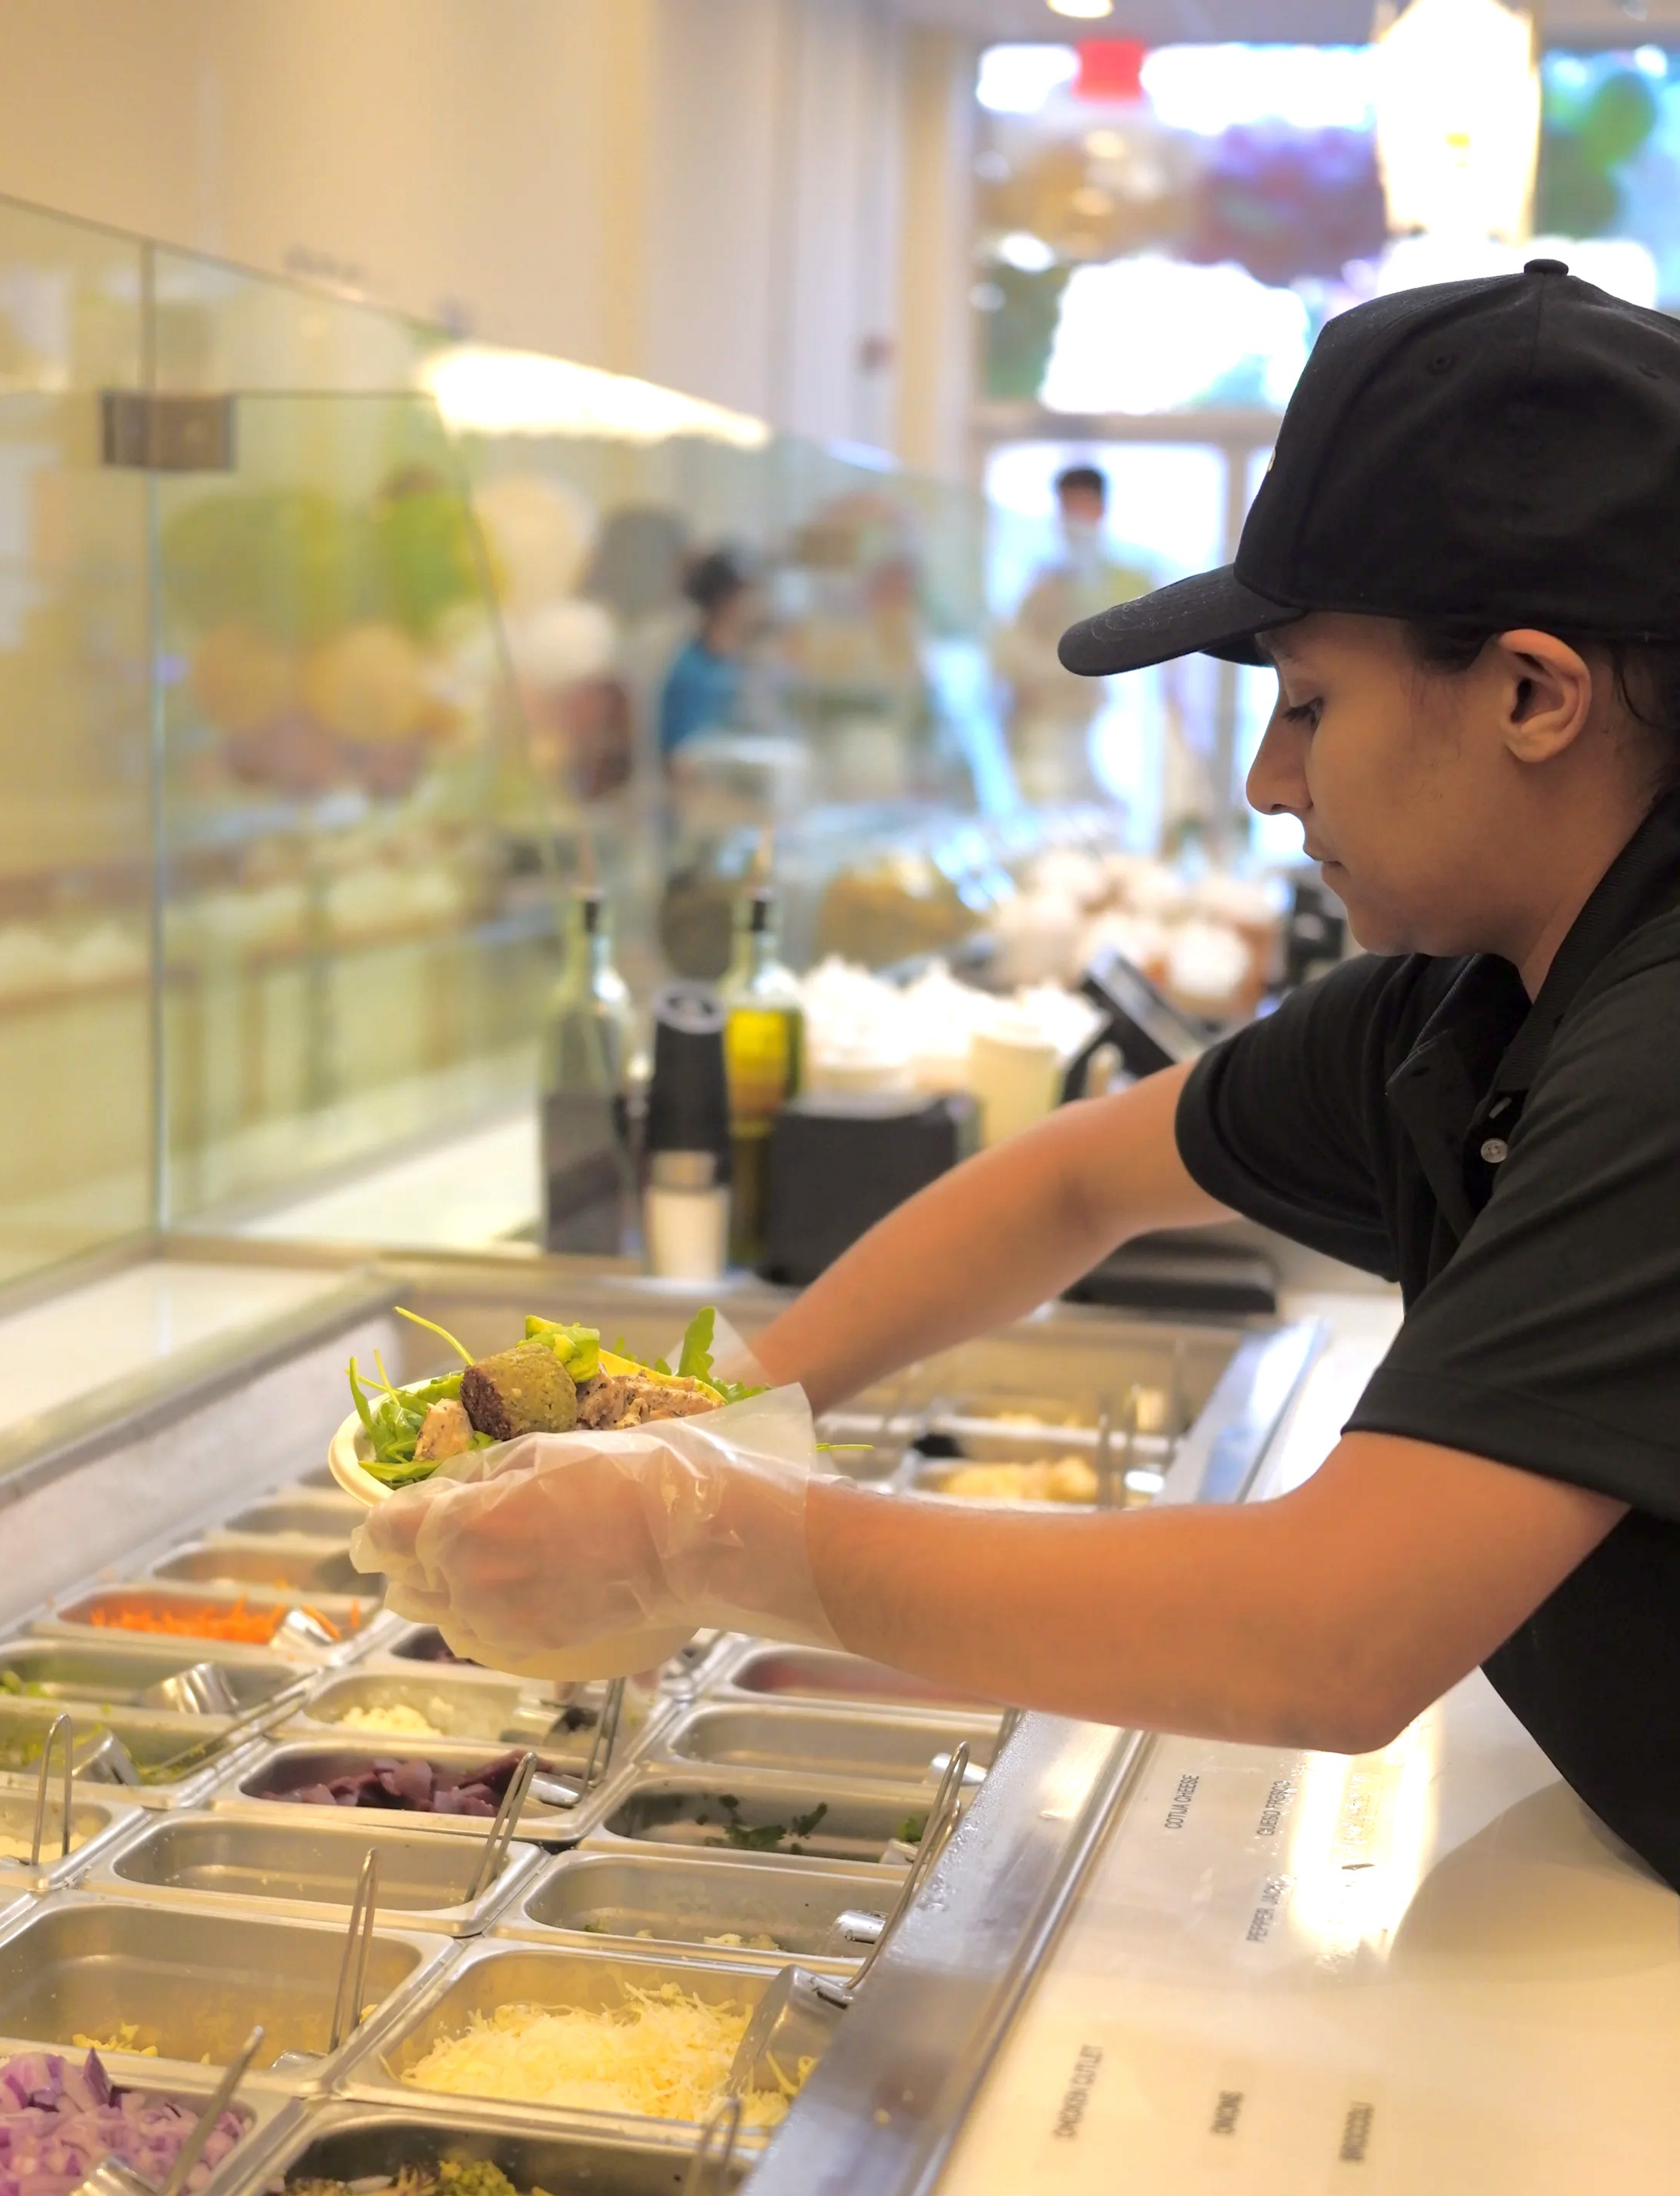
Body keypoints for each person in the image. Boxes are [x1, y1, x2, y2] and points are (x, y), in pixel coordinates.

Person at [353, 263, 1680, 1883]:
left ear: (1534, 694)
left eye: (1311, 704)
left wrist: (707, 1539)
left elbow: (1327, 1640)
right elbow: (1073, 1176)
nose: (1270, 781)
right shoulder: (1469, 995)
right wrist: (715, 1427)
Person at [992, 464, 1151, 805]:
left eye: (1082, 508)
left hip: (1108, 733)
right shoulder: (1043, 586)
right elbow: (1014, 663)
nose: (1073, 520)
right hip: (1051, 736)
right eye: (1067, 510)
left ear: (1101, 510)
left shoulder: (1129, 581)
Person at [658, 546, 760, 766]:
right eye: (749, 596)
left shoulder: (733, 665)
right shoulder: (692, 674)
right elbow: (682, 760)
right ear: (727, 601)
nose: (757, 606)